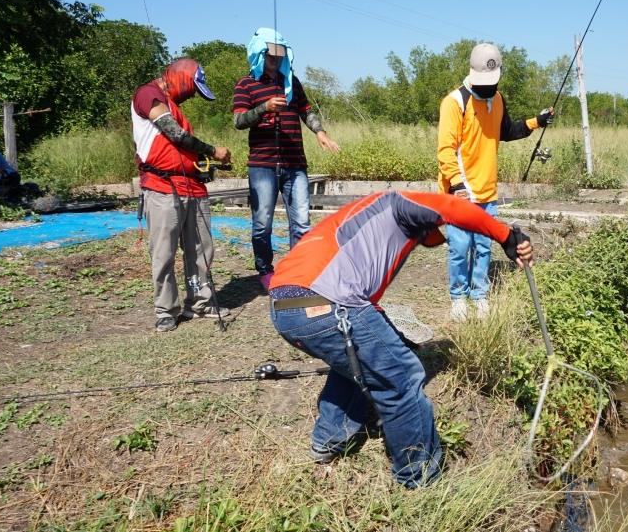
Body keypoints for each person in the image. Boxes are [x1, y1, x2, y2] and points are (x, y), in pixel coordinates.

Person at [267, 190, 533, 488]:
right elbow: (451, 206)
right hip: (327, 302)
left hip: (285, 308)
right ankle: (419, 476)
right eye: (426, 235)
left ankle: (329, 441)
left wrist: (388, 337)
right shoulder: (398, 203)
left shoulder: (358, 221)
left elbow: (360, 297)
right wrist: (506, 236)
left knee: (360, 362)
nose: (422, 241)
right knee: (403, 377)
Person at [437, 42, 553, 321]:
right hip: (460, 193)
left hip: (487, 191)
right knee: (460, 248)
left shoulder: (498, 99)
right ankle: (458, 297)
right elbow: (445, 149)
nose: (488, 86)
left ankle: (479, 295)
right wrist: (457, 185)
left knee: (484, 246)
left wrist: (536, 121)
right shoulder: (454, 102)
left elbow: (507, 131)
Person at [233, 28, 340, 291]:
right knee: (262, 223)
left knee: (302, 222)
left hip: (295, 164)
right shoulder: (245, 85)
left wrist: (320, 132)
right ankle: (265, 269)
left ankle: (298, 270)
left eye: (279, 56)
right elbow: (238, 120)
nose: (275, 61)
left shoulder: (290, 81)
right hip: (262, 165)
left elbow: (306, 110)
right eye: (270, 56)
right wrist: (264, 108)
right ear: (259, 54)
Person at [130, 58, 232, 332]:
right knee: (163, 252)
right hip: (163, 188)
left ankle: (200, 302)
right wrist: (213, 151)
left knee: (201, 250)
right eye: (191, 89)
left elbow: (183, 146)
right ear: (180, 78)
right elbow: (174, 134)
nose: (191, 96)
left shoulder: (174, 106)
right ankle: (166, 309)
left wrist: (203, 162)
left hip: (193, 187)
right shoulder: (148, 94)